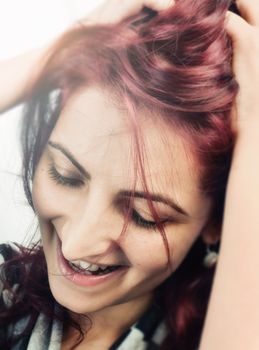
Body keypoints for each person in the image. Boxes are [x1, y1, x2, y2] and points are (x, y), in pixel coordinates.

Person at [0, 0, 259, 349]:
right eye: (65, 176)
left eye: (144, 216)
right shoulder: (8, 292)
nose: (77, 242)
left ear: (218, 219)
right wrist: (72, 44)